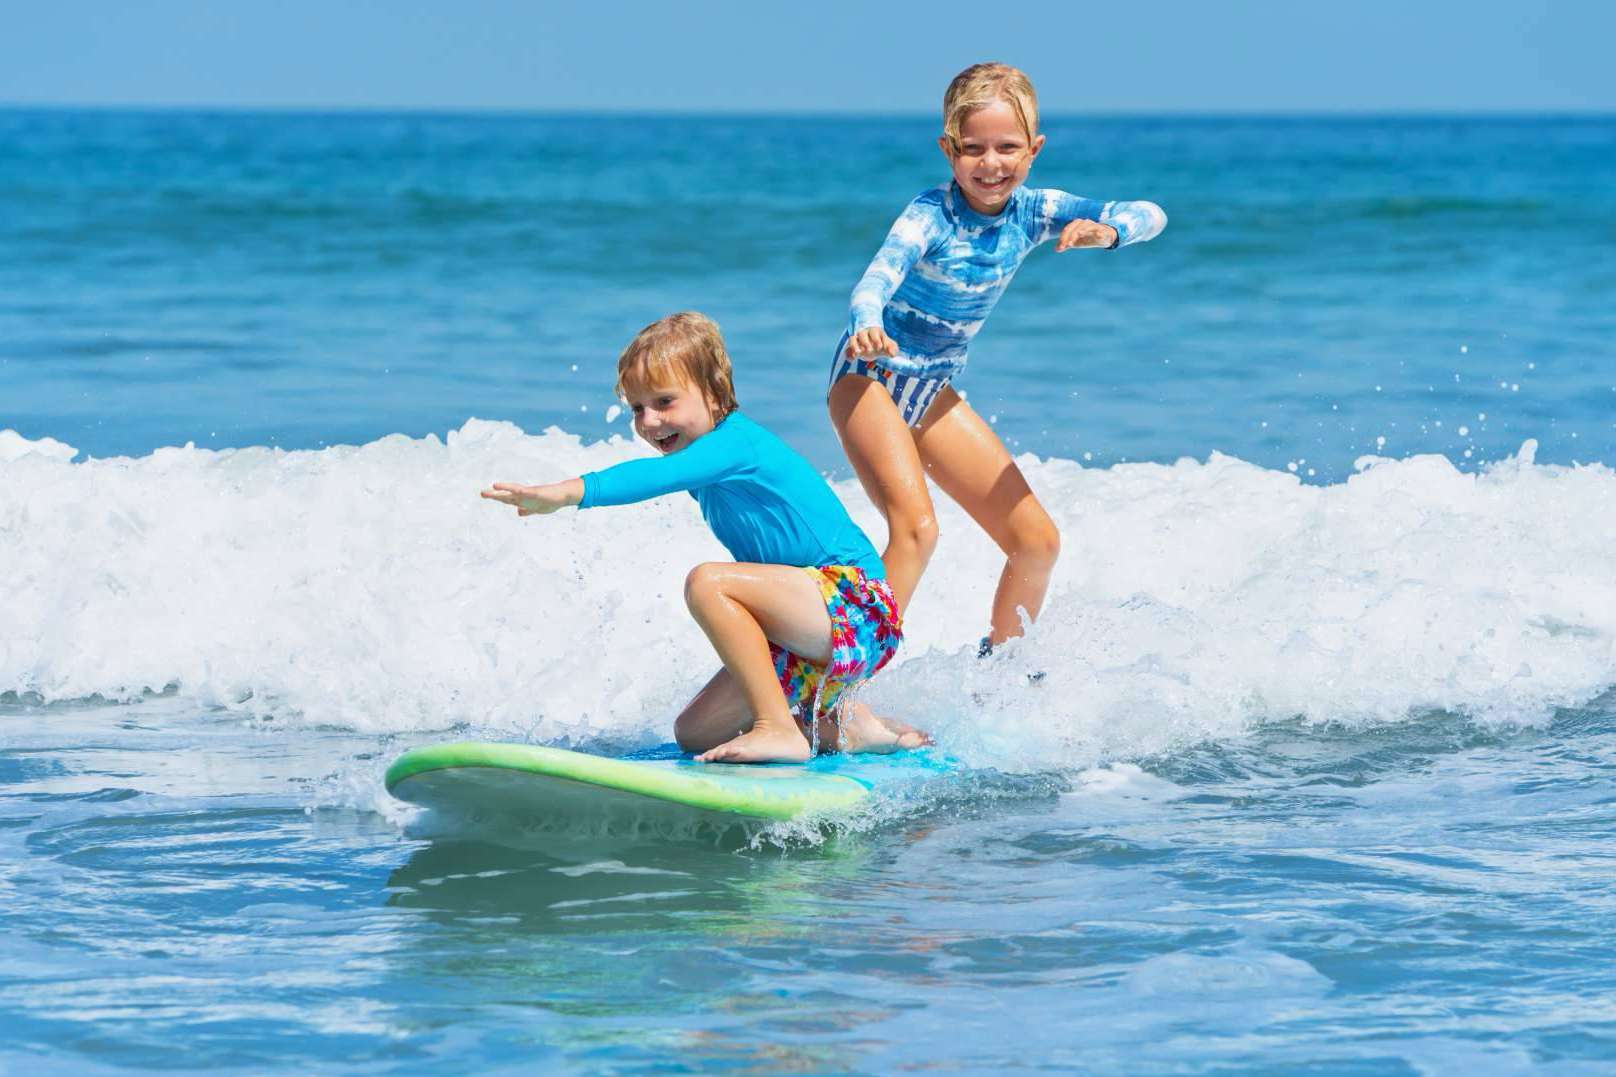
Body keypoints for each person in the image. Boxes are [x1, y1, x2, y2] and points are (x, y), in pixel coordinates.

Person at [827, 62, 1168, 652]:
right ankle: (832, 683)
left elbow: (1150, 213)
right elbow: (875, 280)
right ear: (948, 149)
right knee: (916, 533)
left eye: (1008, 147)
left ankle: (1001, 681)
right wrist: (867, 325)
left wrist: (1107, 234)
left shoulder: (1034, 211)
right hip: (869, 379)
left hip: (929, 393)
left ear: (1033, 150)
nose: (991, 164)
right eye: (973, 148)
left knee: (1036, 541)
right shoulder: (929, 215)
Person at [482, 312, 925, 764]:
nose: (650, 421)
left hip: (858, 606)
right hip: (807, 624)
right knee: (696, 732)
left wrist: (567, 492)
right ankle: (850, 728)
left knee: (709, 582)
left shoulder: (735, 444)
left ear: (714, 394)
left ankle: (779, 730)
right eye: (638, 408)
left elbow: (656, 475)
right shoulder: (704, 460)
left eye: (665, 402)